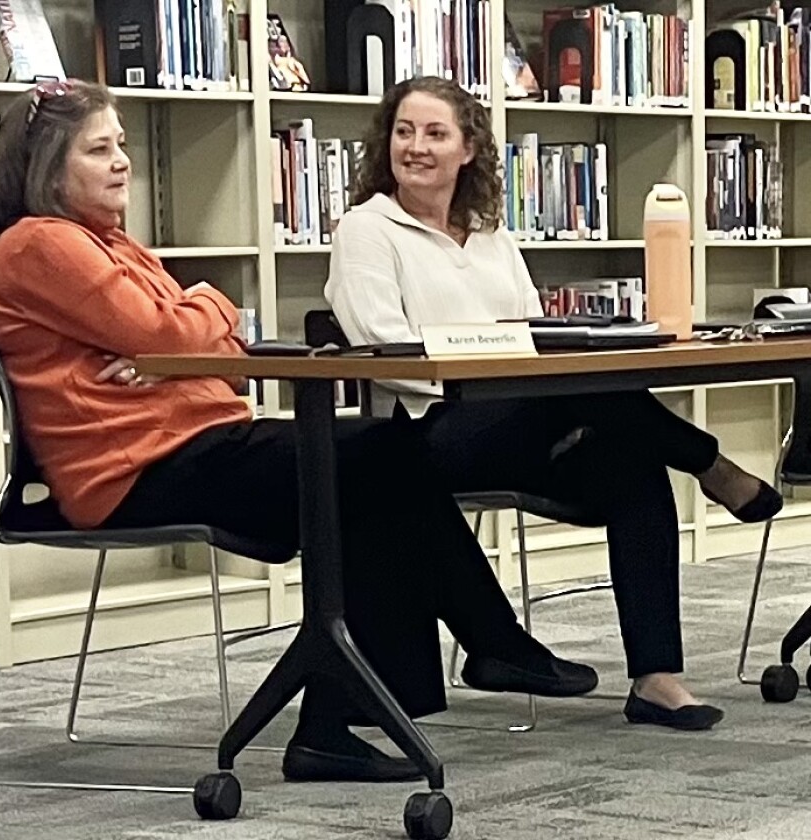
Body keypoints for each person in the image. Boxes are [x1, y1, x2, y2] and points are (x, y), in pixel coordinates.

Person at [0, 79, 602, 785]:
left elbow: (222, 349)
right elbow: (182, 328)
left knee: (372, 472)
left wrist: (183, 339)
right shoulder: (39, 245)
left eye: (121, 145)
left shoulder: (108, 244)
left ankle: (356, 712)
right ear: (47, 166)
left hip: (192, 445)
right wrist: (196, 317)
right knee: (377, 455)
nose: (123, 162)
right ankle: (476, 648)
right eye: (100, 149)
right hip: (135, 470)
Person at [326, 76, 783, 731]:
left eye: (435, 133)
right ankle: (710, 465)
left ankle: (657, 679)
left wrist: (522, 367)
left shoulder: (489, 234)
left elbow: (538, 333)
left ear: (468, 149)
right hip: (426, 431)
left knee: (628, 457)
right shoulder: (367, 229)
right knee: (573, 387)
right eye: (404, 132)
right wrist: (494, 360)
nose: (416, 147)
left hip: (518, 420)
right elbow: (382, 342)